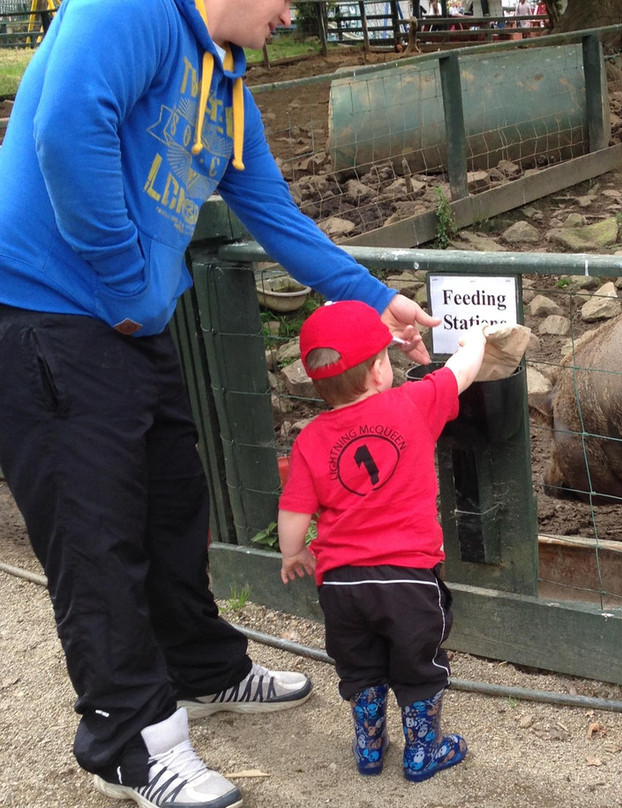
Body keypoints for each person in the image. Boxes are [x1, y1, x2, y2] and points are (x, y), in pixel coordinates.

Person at [0, 0, 439, 805]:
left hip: (131, 322)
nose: (291, 12)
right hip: (48, 316)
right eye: (286, 0)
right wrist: (130, 279)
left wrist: (376, 298)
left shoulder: (231, 91)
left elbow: (275, 215)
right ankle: (127, 741)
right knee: (94, 537)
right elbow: (64, 130)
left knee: (172, 508)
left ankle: (203, 669)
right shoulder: (129, 10)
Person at [278, 301, 486, 783]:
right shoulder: (410, 405)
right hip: (408, 579)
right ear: (378, 369)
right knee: (418, 663)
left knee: (360, 665)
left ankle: (369, 748)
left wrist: (294, 552)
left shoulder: (310, 438)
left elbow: (293, 511)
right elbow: (459, 375)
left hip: (341, 586)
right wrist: (474, 342)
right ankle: (423, 751)